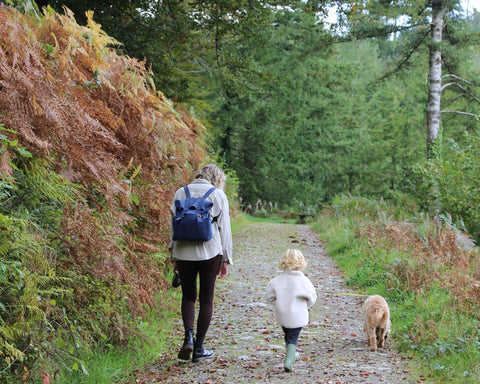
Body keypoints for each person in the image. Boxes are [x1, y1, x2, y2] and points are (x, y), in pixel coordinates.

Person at [169, 164, 233, 363]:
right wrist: (226, 259)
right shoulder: (218, 195)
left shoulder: (181, 192)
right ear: (217, 178)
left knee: (188, 297)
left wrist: (173, 253)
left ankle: (188, 337)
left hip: (183, 251)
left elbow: (172, 225)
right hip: (210, 252)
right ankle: (199, 348)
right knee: (206, 299)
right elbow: (225, 230)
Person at [265, 249, 317, 372]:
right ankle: (289, 361)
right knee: (293, 336)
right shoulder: (304, 281)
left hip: (283, 315)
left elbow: (269, 296)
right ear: (302, 263)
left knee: (288, 334)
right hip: (298, 315)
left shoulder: (276, 280)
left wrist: (277, 303)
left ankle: (292, 353)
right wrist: (306, 305)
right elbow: (312, 297)